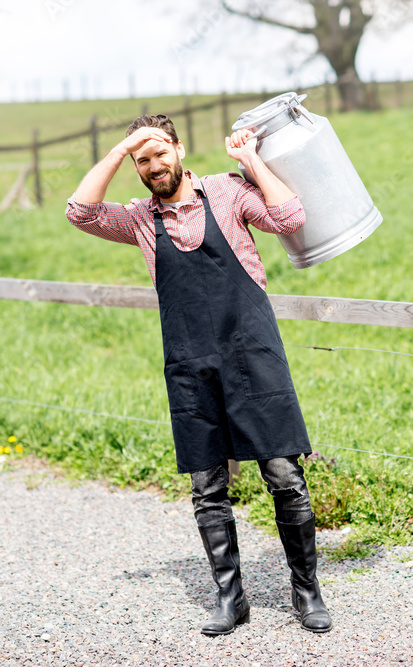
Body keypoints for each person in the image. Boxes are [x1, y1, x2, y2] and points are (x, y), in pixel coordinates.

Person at [65, 114, 331, 635]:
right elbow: (80, 212)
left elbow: (290, 216)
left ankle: (307, 592)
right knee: (207, 485)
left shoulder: (228, 193)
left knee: (284, 475)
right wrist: (121, 149)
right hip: (191, 364)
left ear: (179, 149)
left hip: (252, 354)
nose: (154, 164)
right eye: (143, 159)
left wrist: (249, 160)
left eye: (160, 152)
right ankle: (231, 598)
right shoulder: (140, 218)